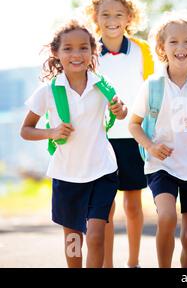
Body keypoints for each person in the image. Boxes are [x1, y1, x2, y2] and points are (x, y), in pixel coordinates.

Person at [20, 20, 127, 268]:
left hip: (102, 170)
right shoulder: (47, 91)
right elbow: (26, 130)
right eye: (68, 49)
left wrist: (120, 109)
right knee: (73, 239)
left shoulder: (102, 85)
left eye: (83, 48)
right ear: (57, 53)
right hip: (67, 174)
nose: (76, 54)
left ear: (92, 52)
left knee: (97, 235)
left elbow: (121, 112)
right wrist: (52, 131)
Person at [129, 10, 187, 268]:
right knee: (167, 217)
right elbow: (134, 124)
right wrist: (150, 146)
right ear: (161, 47)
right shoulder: (152, 85)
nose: (180, 47)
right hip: (162, 165)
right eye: (173, 41)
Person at [84, 0, 154, 268]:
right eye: (105, 14)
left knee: (134, 205)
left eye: (118, 14)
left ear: (129, 18)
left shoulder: (143, 51)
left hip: (133, 137)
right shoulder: (87, 51)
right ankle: (107, 264)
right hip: (100, 138)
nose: (111, 20)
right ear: (95, 17)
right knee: (105, 207)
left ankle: (133, 262)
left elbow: (152, 91)